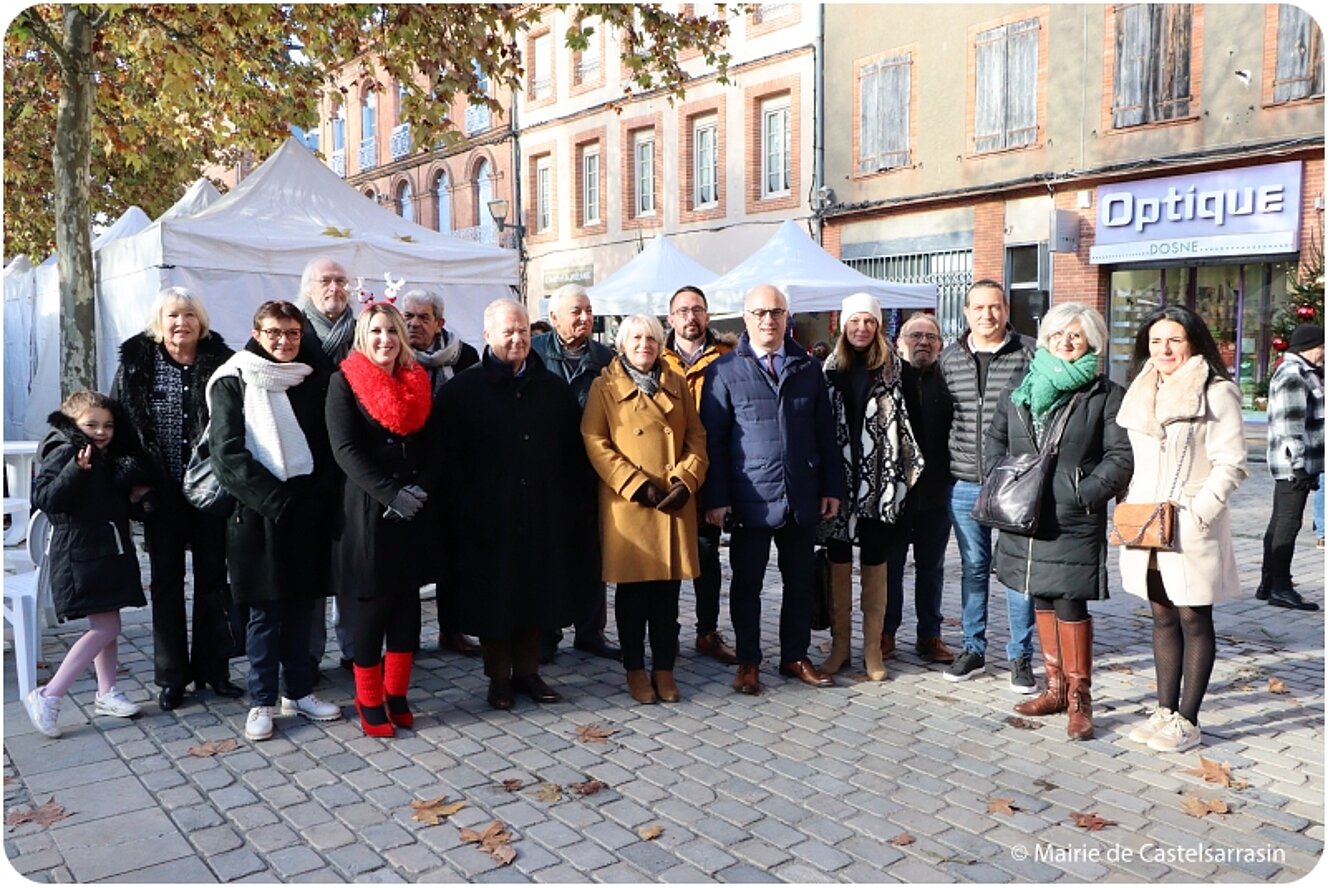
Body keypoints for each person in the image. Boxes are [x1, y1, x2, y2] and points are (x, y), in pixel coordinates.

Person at [988, 304, 1133, 740]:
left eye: (1075, 336)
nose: (1065, 342)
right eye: (1057, 335)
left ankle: (1079, 697)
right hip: (1025, 512)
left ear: (1092, 342)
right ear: (1046, 339)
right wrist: (1002, 478)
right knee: (1041, 595)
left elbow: (1120, 455)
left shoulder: (1105, 393)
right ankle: (1054, 689)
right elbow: (995, 438)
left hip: (1072, 515)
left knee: (1069, 601)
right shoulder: (1022, 386)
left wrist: (1083, 492)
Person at [437, 299, 588, 709]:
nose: (518, 338)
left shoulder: (553, 389)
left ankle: (528, 671)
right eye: (508, 332)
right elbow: (446, 460)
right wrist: (466, 505)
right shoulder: (461, 392)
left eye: (523, 330)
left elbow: (571, 455)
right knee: (495, 600)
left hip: (541, 512)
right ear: (487, 335)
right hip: (487, 517)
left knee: (537, 595)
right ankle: (498, 677)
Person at [700, 284, 844, 696]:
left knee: (800, 582)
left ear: (787, 318)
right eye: (760, 313)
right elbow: (714, 441)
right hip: (750, 500)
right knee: (747, 585)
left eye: (777, 312)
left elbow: (825, 434)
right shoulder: (724, 371)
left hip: (800, 495)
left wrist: (831, 486)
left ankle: (794, 656)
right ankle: (748, 661)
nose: (769, 320)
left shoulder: (807, 368)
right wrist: (717, 498)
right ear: (745, 318)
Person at [208, 301, 342, 742]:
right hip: (257, 513)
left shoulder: (310, 377)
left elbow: (326, 445)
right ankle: (262, 701)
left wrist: (315, 498)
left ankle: (299, 691)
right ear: (256, 333)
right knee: (265, 615)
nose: (284, 341)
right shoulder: (232, 378)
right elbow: (227, 453)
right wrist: (276, 500)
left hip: (306, 510)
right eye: (274, 333)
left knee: (302, 607)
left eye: (292, 333)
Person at [1118, 304, 1247, 753]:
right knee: (1161, 615)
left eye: (1174, 339)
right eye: (1156, 341)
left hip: (1189, 522)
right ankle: (1164, 709)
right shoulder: (1142, 389)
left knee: (1193, 616)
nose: (1165, 349)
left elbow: (1231, 464)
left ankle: (1188, 720)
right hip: (1146, 522)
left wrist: (1200, 512)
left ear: (1193, 342)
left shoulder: (1216, 392)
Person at [111, 286, 241, 711]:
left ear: (200, 321)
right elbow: (120, 426)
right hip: (161, 492)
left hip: (210, 489)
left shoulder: (222, 362)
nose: (181, 322)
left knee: (212, 580)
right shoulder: (137, 364)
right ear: (159, 322)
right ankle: (171, 678)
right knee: (166, 583)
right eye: (172, 315)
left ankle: (214, 670)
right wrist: (134, 481)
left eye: (189, 314)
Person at [583, 314, 709, 704]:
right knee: (633, 597)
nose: (644, 345)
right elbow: (594, 440)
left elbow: (697, 437)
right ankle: (635, 669)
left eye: (652, 338)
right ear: (622, 344)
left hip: (672, 503)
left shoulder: (676, 382)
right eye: (636, 338)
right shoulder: (604, 387)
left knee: (667, 598)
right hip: (630, 505)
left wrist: (687, 479)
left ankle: (665, 669)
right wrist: (636, 484)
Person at [328, 303, 439, 737]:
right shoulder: (344, 382)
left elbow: (432, 444)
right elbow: (345, 449)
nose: (385, 340)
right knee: (372, 609)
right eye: (376, 331)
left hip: (412, 508)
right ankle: (370, 698)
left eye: (392, 332)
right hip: (369, 509)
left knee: (406, 607)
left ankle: (397, 693)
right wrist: (391, 494)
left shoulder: (417, 380)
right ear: (363, 336)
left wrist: (421, 488)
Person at [23, 393, 152, 737]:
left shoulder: (103, 455)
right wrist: (74, 471)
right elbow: (45, 498)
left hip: (106, 548)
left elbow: (107, 502)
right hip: (81, 552)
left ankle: (106, 691)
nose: (101, 431)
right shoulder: (66, 451)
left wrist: (135, 498)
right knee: (105, 627)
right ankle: (49, 695)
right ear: (73, 423)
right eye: (91, 424)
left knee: (108, 622)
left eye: (108, 425)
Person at [818, 293, 922, 682]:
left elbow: (915, 434)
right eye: (854, 321)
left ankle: (873, 649)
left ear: (878, 326)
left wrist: (904, 485)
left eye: (869, 321)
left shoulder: (899, 372)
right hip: (838, 486)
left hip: (881, 485)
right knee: (838, 561)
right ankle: (840, 646)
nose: (861, 328)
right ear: (843, 326)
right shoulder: (828, 371)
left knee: (876, 563)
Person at [938, 280, 1036, 691]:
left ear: (1006, 309)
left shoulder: (1030, 353)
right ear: (966, 312)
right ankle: (973, 648)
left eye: (994, 307)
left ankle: (1020, 656)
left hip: (1014, 481)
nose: (987, 315)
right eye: (978, 307)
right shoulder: (949, 358)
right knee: (974, 568)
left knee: (1016, 572)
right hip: (964, 482)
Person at [530, 283, 620, 662]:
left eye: (588, 310)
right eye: (576, 311)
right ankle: (546, 632)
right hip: (545, 471)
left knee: (590, 554)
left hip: (590, 470)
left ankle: (590, 631)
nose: (585, 318)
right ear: (553, 318)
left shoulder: (605, 357)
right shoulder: (534, 353)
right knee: (547, 554)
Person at [400, 287, 481, 656]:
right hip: (410, 471)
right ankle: (407, 638)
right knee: (409, 559)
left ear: (440, 323)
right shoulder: (394, 356)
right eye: (408, 316)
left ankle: (452, 630)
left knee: (454, 556)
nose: (414, 324)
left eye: (423, 317)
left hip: (455, 472)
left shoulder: (466, 358)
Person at [659, 285, 738, 665]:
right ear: (670, 317)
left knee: (707, 559)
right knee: (669, 561)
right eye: (683, 311)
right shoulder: (655, 357)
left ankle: (707, 631)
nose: (691, 317)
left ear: (708, 315)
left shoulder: (726, 357)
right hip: (667, 476)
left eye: (698, 310)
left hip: (711, 474)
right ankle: (667, 631)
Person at [883, 313, 956, 665]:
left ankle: (929, 635)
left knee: (931, 569)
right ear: (900, 342)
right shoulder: (887, 379)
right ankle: (886, 633)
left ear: (940, 344)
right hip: (895, 495)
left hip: (936, 492)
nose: (923, 342)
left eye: (930, 337)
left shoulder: (949, 382)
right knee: (891, 568)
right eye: (915, 335)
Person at [1256, 323, 1324, 610]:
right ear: (1312, 347)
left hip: (1297, 462)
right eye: (1323, 346)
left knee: (1280, 521)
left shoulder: (1305, 372)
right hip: (1293, 464)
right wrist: (1298, 466)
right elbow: (1290, 426)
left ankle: (1269, 582)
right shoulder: (1294, 375)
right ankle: (1280, 588)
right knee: (1288, 523)